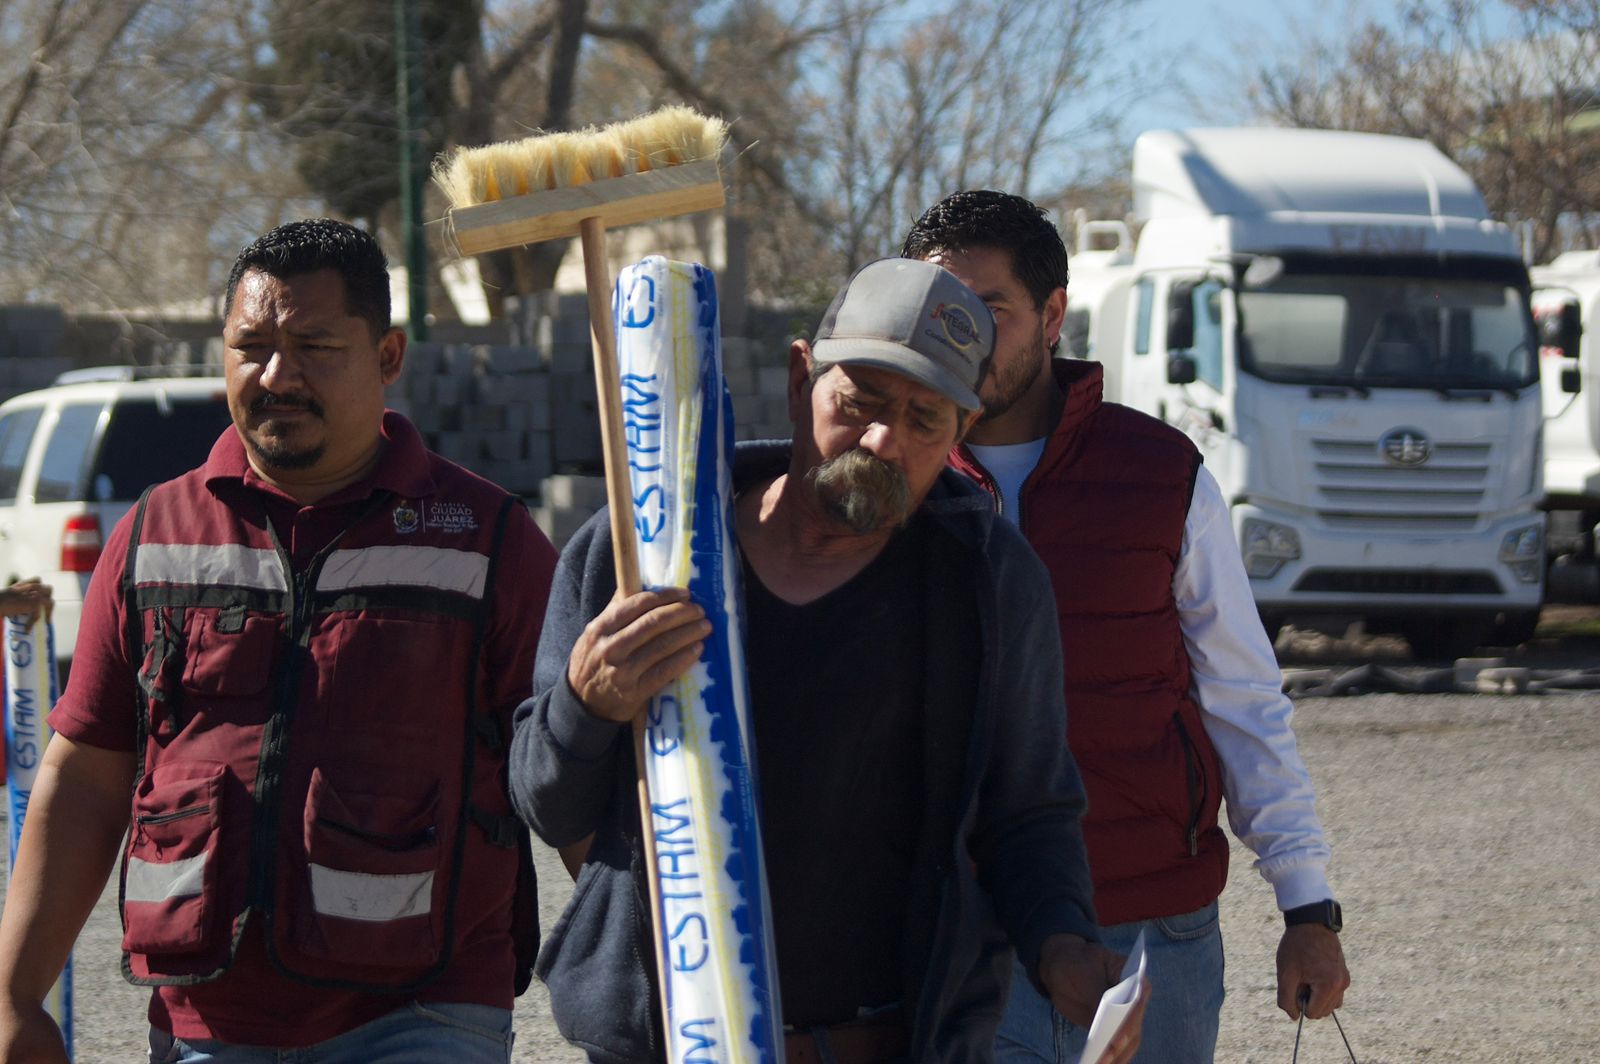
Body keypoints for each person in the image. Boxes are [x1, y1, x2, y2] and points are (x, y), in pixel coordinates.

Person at [512, 257, 1145, 1064]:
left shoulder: (985, 581)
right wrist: (583, 704)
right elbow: (546, 805)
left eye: (926, 420)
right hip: (664, 1045)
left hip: (882, 1042)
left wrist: (1065, 947)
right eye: (862, 401)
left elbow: (1027, 813)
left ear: (960, 434)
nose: (886, 440)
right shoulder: (643, 553)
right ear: (799, 376)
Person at [0, 219, 558, 1064]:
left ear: (388, 357)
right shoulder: (154, 533)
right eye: (250, 345)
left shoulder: (488, 540)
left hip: (425, 1013)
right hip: (207, 1025)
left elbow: (574, 769)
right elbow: (87, 770)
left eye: (315, 346)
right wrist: (11, 997)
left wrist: (663, 992)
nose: (276, 375)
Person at [901, 190, 1351, 1064]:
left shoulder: (1163, 477)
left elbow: (1243, 698)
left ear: (1054, 314)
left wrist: (1307, 905)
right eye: (942, 313)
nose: (964, 335)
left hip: (1156, 932)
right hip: (966, 932)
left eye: (991, 310)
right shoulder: (894, 487)